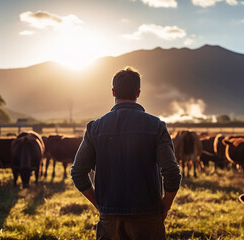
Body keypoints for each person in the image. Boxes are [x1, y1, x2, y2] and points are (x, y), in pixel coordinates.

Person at [71, 67, 181, 240]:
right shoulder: (157, 126)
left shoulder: (95, 127)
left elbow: (77, 172)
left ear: (113, 92)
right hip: (148, 217)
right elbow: (172, 173)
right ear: (138, 93)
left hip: (110, 219)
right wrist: (164, 207)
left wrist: (100, 206)